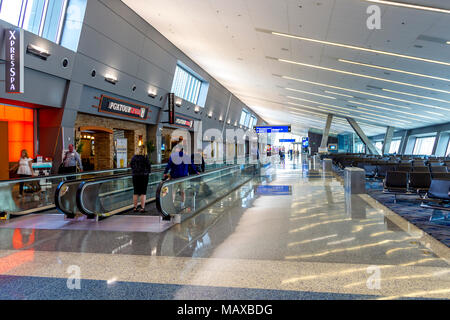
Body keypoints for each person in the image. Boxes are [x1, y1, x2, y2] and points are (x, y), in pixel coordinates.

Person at [130, 145, 151, 212]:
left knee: (135, 192)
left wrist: (135, 171)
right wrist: (148, 172)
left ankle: (135, 208)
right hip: (144, 176)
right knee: (143, 192)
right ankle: (142, 208)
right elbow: (149, 166)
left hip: (135, 176)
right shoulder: (145, 157)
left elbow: (131, 165)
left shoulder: (134, 157)